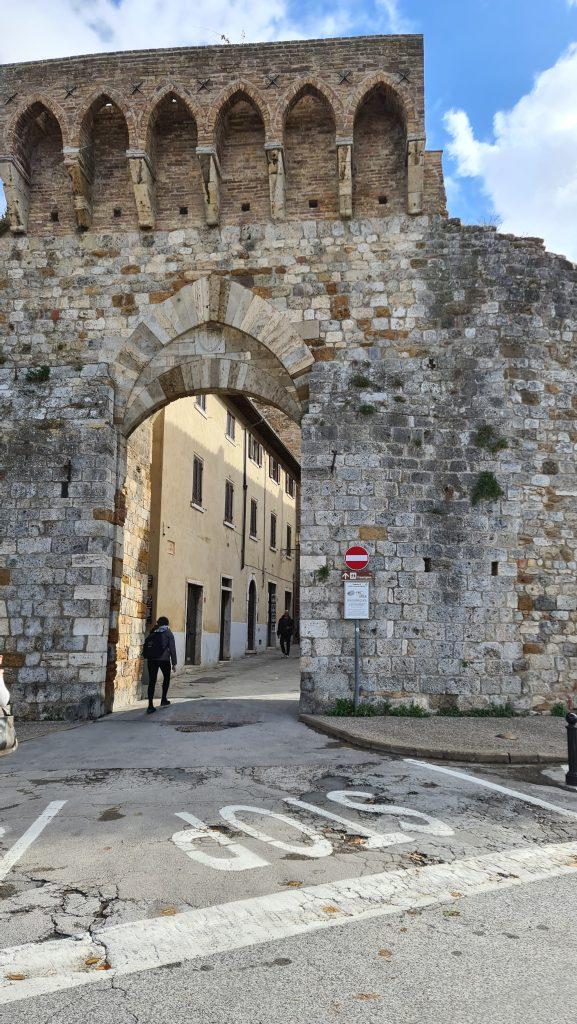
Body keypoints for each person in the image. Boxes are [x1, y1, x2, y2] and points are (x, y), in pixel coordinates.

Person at [143, 616, 177, 714]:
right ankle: (163, 699)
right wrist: (174, 663)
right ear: (167, 624)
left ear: (158, 623)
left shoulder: (153, 631)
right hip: (164, 659)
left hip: (151, 659)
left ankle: (150, 705)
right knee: (166, 678)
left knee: (152, 681)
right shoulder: (168, 633)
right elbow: (172, 649)